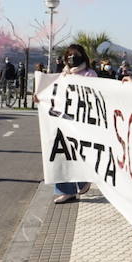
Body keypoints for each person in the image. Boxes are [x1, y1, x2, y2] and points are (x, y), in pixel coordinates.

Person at [51, 44, 96, 202]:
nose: (72, 58)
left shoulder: (90, 74)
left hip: (82, 122)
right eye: (69, 55)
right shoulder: (62, 75)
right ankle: (66, 190)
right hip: (64, 120)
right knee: (61, 153)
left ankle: (83, 180)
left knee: (79, 152)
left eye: (75, 55)